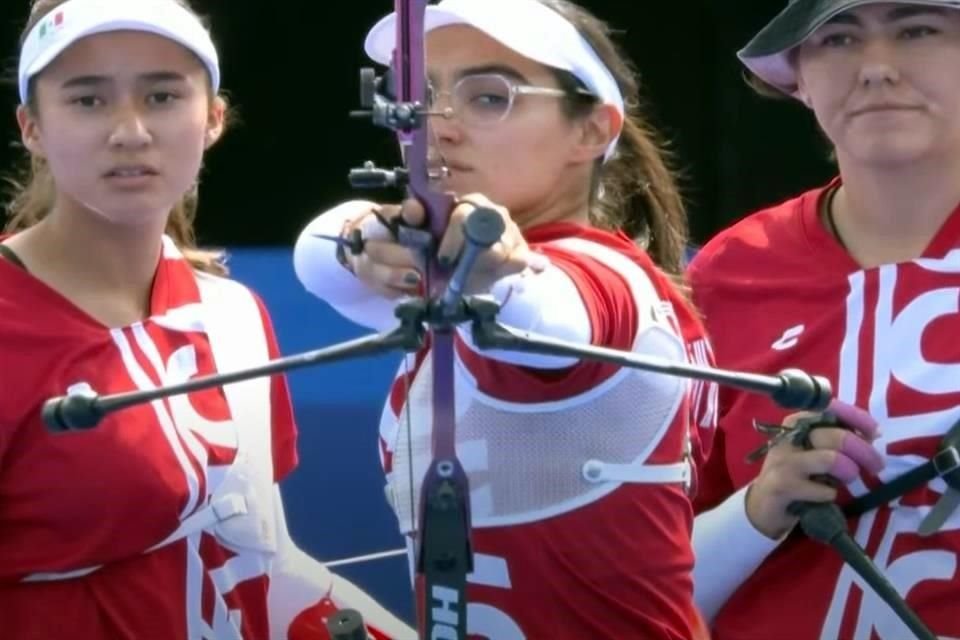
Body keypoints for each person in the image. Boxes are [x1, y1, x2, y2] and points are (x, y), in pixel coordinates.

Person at [293, 0, 718, 637]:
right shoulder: (450, 274)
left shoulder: (606, 278)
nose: (440, 127)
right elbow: (318, 260)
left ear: (592, 131)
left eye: (489, 98)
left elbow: (557, 321)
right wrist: (357, 233)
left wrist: (497, 274)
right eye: (423, 95)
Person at [0, 0, 416, 638]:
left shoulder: (232, 313)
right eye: (88, 101)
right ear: (31, 127)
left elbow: (261, 558)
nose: (131, 131)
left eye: (163, 96)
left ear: (213, 117)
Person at [689, 1, 960, 638]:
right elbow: (647, 577)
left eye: (915, 29)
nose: (876, 68)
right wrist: (758, 509)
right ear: (798, 80)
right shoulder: (727, 273)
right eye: (837, 38)